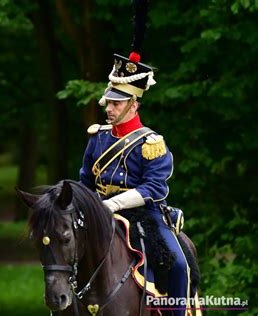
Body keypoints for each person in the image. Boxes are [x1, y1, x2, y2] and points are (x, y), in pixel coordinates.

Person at [79, 53, 190, 316]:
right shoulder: (97, 137)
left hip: (144, 214)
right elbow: (85, 180)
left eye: (117, 104)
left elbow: (154, 188)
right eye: (109, 102)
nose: (109, 108)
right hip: (100, 213)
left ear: (134, 105)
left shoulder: (151, 143)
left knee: (178, 266)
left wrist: (113, 204)